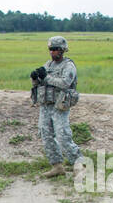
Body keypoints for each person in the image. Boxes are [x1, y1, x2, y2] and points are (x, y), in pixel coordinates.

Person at [30, 36, 81, 177]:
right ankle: (57, 166)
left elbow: (65, 83)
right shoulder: (49, 65)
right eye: (50, 49)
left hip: (60, 105)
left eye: (55, 49)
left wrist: (46, 78)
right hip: (46, 105)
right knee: (46, 135)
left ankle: (80, 164)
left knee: (63, 136)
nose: (52, 52)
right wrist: (35, 78)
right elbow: (41, 82)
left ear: (62, 50)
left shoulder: (68, 66)